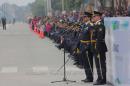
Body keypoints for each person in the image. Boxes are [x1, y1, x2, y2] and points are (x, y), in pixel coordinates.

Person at [92, 11, 108, 85]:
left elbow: (99, 38)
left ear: (98, 17)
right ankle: (99, 78)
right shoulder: (96, 25)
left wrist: (97, 48)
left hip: (100, 47)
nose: (93, 18)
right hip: (96, 46)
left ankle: (102, 79)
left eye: (94, 16)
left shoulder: (100, 25)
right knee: (98, 64)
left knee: (101, 64)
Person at [79, 12, 94, 83]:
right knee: (85, 63)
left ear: (88, 17)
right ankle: (87, 76)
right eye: (83, 17)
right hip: (82, 45)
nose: (83, 18)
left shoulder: (90, 25)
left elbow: (92, 37)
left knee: (89, 62)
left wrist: (89, 46)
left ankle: (90, 77)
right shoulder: (84, 25)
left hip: (87, 46)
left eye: (85, 17)